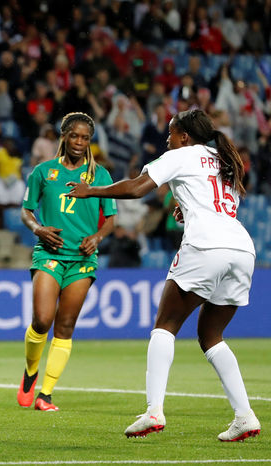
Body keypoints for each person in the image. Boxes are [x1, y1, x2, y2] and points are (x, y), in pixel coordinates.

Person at [67, 109, 262, 442]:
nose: (166, 140)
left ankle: (154, 411)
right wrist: (185, 207)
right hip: (242, 250)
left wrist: (92, 192)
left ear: (184, 136)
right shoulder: (223, 158)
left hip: (205, 246)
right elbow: (217, 202)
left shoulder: (181, 155)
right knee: (211, 336)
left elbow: (136, 188)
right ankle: (244, 416)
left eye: (170, 134)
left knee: (165, 325)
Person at [18, 112, 117, 412]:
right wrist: (38, 229)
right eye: (74, 135)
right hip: (49, 253)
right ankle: (30, 372)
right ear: (63, 136)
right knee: (42, 320)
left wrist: (97, 238)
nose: (79, 142)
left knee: (66, 325)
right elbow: (26, 211)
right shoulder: (43, 172)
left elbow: (111, 219)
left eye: (85, 137)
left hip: (82, 259)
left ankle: (45, 394)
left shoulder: (100, 175)